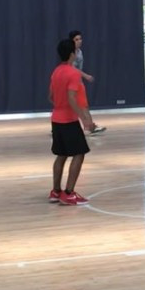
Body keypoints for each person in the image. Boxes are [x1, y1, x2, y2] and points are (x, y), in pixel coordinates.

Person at [49, 38, 98, 206]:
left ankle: (56, 191)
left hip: (56, 119)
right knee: (79, 153)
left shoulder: (56, 72)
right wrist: (85, 120)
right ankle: (69, 193)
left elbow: (51, 96)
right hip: (68, 121)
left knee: (61, 155)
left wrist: (60, 106)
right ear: (72, 54)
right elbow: (71, 98)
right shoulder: (74, 73)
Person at [69, 30, 105, 135]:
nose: (79, 41)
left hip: (78, 82)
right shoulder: (70, 53)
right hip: (71, 83)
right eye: (76, 39)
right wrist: (86, 76)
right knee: (76, 107)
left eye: (80, 39)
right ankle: (89, 127)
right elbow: (72, 68)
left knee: (83, 106)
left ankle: (90, 127)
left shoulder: (79, 52)